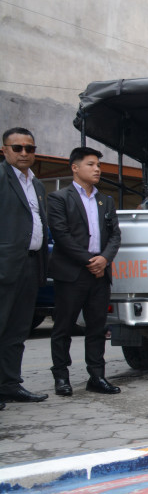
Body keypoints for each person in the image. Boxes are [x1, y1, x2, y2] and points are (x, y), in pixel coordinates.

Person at [47, 147, 122, 396]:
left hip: (100, 275)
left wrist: (104, 259)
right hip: (72, 274)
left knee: (97, 328)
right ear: (75, 168)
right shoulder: (59, 198)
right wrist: (91, 261)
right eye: (91, 164)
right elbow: (61, 235)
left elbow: (115, 235)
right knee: (63, 327)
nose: (97, 169)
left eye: (98, 165)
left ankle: (97, 377)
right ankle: (61, 377)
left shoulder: (105, 200)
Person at [0, 127, 49, 406]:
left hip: (30, 264)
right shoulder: (1, 177)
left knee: (18, 330)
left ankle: (9, 384)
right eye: (17, 148)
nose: (23, 153)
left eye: (29, 148)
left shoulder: (37, 184)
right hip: (5, 266)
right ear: (4, 150)